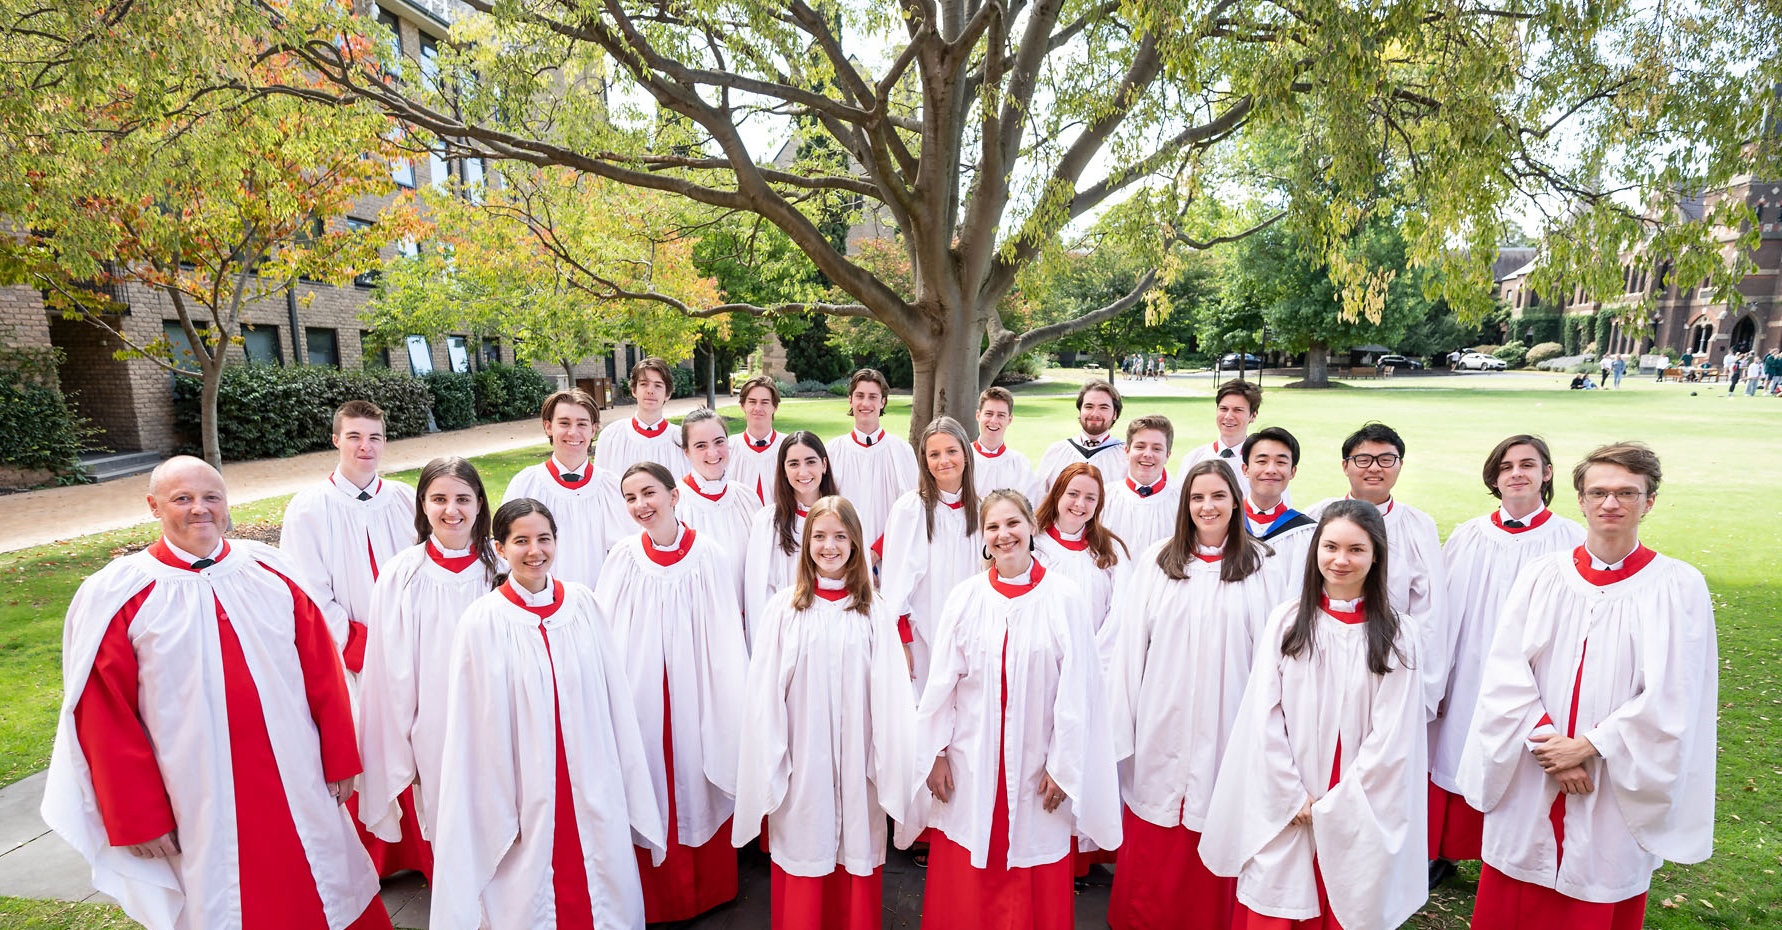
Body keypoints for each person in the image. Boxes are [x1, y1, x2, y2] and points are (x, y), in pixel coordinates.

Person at [43, 456, 390, 930]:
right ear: (153, 506)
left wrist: (341, 757)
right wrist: (137, 815)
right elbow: (105, 717)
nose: (199, 509)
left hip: (297, 770)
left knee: (326, 881)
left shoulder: (272, 571)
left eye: (211, 497)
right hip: (194, 789)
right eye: (182, 499)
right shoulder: (121, 595)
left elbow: (322, 670)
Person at [1458, 443, 1716, 929]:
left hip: (1614, 777)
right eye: (1598, 492)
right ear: (1580, 499)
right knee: (1517, 884)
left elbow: (1676, 693)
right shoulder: (1542, 576)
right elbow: (1505, 671)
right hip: (1532, 765)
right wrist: (1550, 745)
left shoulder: (1677, 587)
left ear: (1650, 501)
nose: (1610, 504)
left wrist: (1590, 746)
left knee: (1594, 885)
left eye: (1626, 493)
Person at [428, 499, 666, 930]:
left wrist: (620, 772)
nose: (534, 550)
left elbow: (613, 696)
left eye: (544, 539)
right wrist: (499, 801)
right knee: (532, 889)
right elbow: (473, 728)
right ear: (499, 548)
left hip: (591, 775)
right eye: (521, 541)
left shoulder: (583, 605)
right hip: (526, 785)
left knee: (604, 880)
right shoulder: (483, 622)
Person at [1201, 501, 1429, 930]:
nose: (1341, 560)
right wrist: (1291, 794)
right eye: (1331, 547)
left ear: (1376, 554)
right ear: (1315, 550)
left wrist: (1340, 803)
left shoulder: (1399, 634)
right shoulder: (1287, 622)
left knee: (1350, 893)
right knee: (1280, 893)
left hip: (1359, 798)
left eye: (1356, 549)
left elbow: (1394, 734)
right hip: (1288, 799)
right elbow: (1263, 716)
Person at [909, 489, 1122, 930]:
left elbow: (1079, 691)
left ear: (1031, 526)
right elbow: (942, 685)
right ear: (984, 539)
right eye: (993, 527)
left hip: (1036, 764)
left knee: (1031, 858)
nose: (1004, 535)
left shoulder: (1063, 598)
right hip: (972, 760)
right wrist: (935, 754)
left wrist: (1063, 767)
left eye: (1012, 523)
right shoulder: (965, 598)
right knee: (970, 864)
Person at [1105, 459, 1286, 930]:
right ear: (1185, 505)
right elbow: (1129, 648)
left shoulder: (1263, 566)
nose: (1208, 506)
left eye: (1218, 496)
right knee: (1156, 815)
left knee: (1218, 808)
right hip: (1162, 714)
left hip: (1229, 717)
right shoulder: (1159, 562)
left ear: (1235, 501)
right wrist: (1122, 724)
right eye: (1197, 497)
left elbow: (1276, 659)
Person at [733, 496, 918, 930]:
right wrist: (774, 761)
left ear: (855, 542)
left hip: (857, 758)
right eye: (819, 536)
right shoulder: (784, 608)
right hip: (803, 757)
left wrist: (886, 762)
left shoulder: (875, 610)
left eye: (840, 536)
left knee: (856, 840)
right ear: (806, 543)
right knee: (804, 840)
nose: (829, 546)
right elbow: (763, 696)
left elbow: (893, 697)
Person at [1425, 436, 1584, 890]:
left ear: (1546, 473)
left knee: (1522, 760)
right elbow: (1446, 612)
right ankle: (1443, 851)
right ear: (1494, 478)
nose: (1517, 473)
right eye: (1507, 466)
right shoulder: (1469, 534)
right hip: (1470, 667)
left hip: (1534, 676)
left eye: (1528, 464)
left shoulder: (1569, 539)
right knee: (1455, 749)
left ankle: (1517, 854)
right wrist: (1441, 680)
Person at [280, 399, 430, 877]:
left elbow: (430, 565)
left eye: (375, 438)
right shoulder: (309, 508)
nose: (366, 447)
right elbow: (307, 591)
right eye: (354, 437)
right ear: (335, 440)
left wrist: (411, 633)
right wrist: (355, 642)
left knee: (417, 740)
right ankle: (377, 862)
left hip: (413, 645)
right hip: (352, 654)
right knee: (367, 744)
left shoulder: (407, 498)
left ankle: (425, 854)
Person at [596, 462, 750, 923]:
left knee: (696, 778)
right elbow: (605, 631)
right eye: (630, 497)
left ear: (674, 495)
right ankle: (654, 897)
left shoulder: (710, 555)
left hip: (697, 692)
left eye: (649, 493)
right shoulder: (622, 557)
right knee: (647, 780)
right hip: (640, 694)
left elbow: (725, 634)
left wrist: (727, 700)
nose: (640, 505)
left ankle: (707, 890)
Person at [359, 458, 501, 862]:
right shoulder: (402, 575)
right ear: (422, 504)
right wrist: (404, 747)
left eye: (462, 499)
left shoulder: (503, 567)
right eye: (439, 499)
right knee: (451, 827)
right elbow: (388, 673)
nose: (451, 510)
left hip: (501, 720)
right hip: (435, 730)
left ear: (479, 504)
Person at [1308, 422, 1448, 721]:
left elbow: (1431, 611)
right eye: (1363, 459)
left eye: (1386, 459)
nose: (1374, 468)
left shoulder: (1418, 526)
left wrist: (1426, 687)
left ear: (1399, 465)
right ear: (1345, 466)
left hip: (1389, 659)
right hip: (1321, 656)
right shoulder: (1316, 517)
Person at [880, 416, 985, 694]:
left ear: (965, 452)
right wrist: (901, 643)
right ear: (924, 461)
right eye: (934, 454)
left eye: (951, 451)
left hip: (973, 636)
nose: (944, 461)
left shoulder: (982, 510)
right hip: (923, 636)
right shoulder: (911, 509)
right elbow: (895, 585)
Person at [503, 389, 628, 588]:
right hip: (540, 603)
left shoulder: (612, 487)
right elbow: (507, 551)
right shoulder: (526, 484)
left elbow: (627, 553)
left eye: (582, 424)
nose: (573, 432)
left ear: (593, 429)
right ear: (548, 427)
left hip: (599, 603)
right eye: (564, 423)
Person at [744, 431, 840, 626]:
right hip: (786, 629)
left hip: (836, 628)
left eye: (811, 462)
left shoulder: (845, 517)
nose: (803, 472)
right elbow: (758, 593)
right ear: (784, 470)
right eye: (794, 464)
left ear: (824, 465)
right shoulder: (768, 521)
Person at [1032, 462, 1128, 647]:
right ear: (1057, 494)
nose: (1080, 504)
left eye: (1090, 498)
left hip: (1095, 658)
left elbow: (1119, 615)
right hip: (1043, 657)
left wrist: (1094, 657)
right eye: (1073, 494)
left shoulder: (1111, 550)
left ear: (1098, 504)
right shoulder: (1033, 545)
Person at [825, 368, 918, 556]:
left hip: (891, 555)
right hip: (842, 556)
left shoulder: (901, 451)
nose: (865, 403)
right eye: (859, 396)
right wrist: (852, 555)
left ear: (883, 402)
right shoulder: (832, 451)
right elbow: (825, 509)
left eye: (873, 397)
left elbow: (911, 512)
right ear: (850, 399)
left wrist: (875, 555)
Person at [675, 407, 760, 576]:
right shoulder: (674, 505)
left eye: (719, 441)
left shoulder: (747, 499)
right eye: (701, 445)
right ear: (686, 452)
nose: (713, 452)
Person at [1101, 415, 1182, 564]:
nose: (1148, 454)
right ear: (1127, 450)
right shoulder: (1105, 498)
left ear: (1167, 455)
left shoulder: (1181, 502)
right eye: (1140, 446)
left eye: (1157, 448)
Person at [595, 357, 689, 476]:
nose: (650, 391)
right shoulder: (612, 436)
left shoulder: (682, 440)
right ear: (634, 390)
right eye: (644, 384)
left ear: (668, 394)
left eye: (658, 385)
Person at [1240, 427, 1317, 572]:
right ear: (1245, 469)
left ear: (1292, 472)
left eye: (1281, 462)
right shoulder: (1225, 524)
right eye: (1262, 461)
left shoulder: (1306, 533)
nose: (1270, 470)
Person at [1036, 379, 1129, 492]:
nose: (1095, 414)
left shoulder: (1126, 456)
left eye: (1103, 407)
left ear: (1115, 414)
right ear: (1080, 410)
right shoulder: (1056, 452)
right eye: (1089, 406)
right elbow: (1038, 499)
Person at [1182, 380, 1262, 497]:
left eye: (1238, 410)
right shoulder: (1193, 458)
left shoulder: (1262, 465)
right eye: (1223, 409)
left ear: (1253, 415)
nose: (1228, 416)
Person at [971, 386, 1039, 501]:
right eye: (989, 413)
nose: (993, 421)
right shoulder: (963, 457)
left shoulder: (1020, 464)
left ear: (1010, 419)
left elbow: (1028, 506)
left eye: (1001, 415)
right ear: (978, 415)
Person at [729, 376, 788, 505]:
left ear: (775, 407)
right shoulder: (729, 448)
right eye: (752, 401)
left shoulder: (788, 447)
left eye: (765, 402)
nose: (758, 408)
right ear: (742, 405)